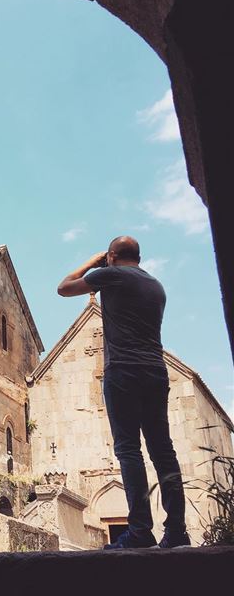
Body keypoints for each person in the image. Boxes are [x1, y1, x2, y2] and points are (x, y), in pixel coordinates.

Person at [57, 236, 190, 550]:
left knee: (129, 451)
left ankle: (141, 531)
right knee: (163, 451)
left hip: (123, 372)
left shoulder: (111, 275)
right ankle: (177, 531)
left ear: (113, 255)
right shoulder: (157, 286)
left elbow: (64, 287)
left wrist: (94, 260)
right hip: (155, 372)